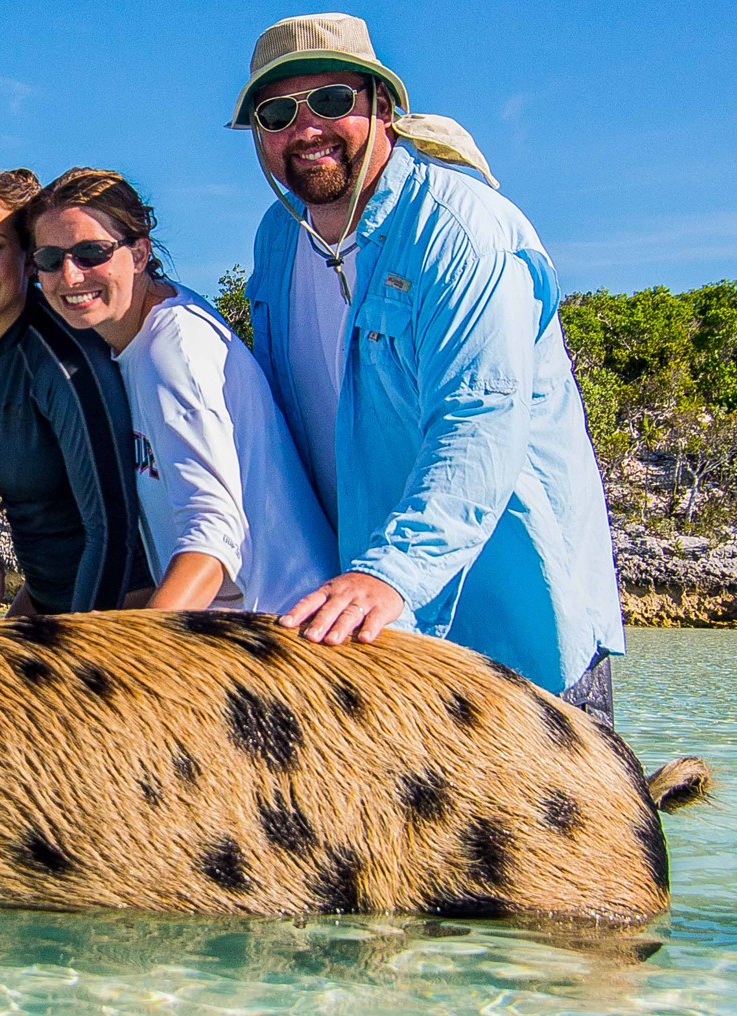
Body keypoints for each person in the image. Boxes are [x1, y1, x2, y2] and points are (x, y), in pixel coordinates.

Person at [228, 12, 623, 718]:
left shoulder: (462, 230)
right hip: (379, 640)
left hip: (514, 624)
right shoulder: (276, 241)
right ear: (257, 133)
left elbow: (478, 424)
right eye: (278, 111)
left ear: (383, 109)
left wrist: (387, 576)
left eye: (331, 101)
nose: (306, 127)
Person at [28, 167, 336, 613]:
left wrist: (140, 661)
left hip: (279, 634)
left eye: (91, 253)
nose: (70, 276)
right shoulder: (132, 339)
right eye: (50, 260)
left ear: (139, 253)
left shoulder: (173, 348)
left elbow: (214, 534)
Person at [0, 166, 149, 619]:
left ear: (28, 259)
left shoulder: (63, 360)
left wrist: (81, 647)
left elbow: (112, 526)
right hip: (44, 597)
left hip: (123, 605)